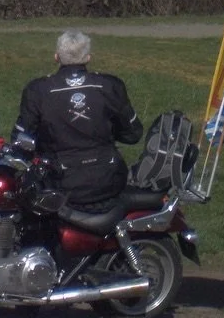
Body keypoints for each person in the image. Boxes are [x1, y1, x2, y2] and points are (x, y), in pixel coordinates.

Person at [15, 29, 143, 207]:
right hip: (108, 179)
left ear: (56, 57)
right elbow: (133, 134)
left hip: (60, 183)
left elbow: (20, 140)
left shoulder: (38, 90)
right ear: (88, 57)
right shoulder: (109, 85)